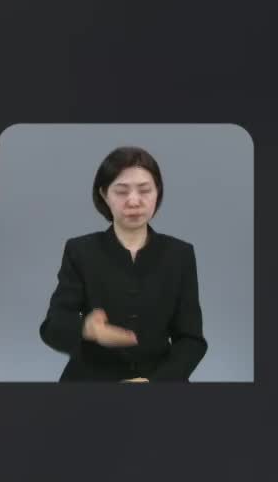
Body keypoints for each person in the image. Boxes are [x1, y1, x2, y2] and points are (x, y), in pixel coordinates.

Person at [37, 146, 206, 381]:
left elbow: (191, 339)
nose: (134, 201)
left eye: (145, 190)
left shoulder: (180, 254)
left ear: (158, 193)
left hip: (159, 379)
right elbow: (52, 327)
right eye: (121, 191)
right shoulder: (81, 251)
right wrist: (86, 328)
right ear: (104, 194)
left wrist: (155, 383)